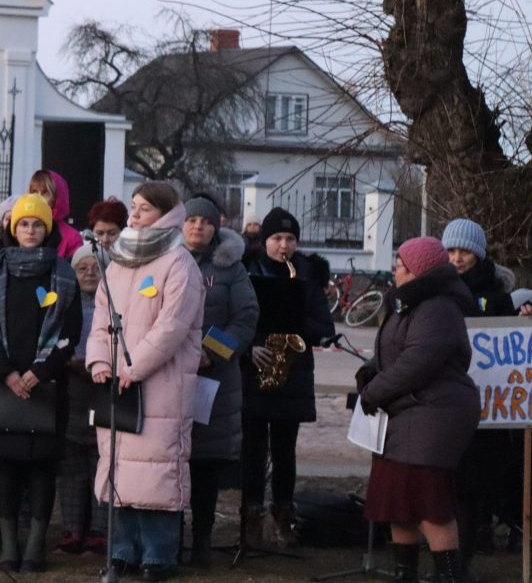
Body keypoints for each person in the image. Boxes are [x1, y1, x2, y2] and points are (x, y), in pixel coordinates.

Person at [87, 182, 204, 582]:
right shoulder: (118, 262)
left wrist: (133, 368)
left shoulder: (179, 263)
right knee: (120, 466)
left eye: (144, 209)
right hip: (118, 382)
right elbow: (101, 317)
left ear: (166, 215)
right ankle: (122, 551)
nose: (134, 215)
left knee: (158, 469)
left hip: (160, 383)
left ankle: (158, 555)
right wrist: (99, 360)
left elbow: (172, 327)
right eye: (133, 207)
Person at [356, 237, 480, 583]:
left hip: (433, 416)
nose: (395, 271)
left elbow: (417, 362)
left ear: (417, 271)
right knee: (400, 503)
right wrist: (370, 371)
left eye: (400, 266)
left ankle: (450, 576)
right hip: (406, 412)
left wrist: (374, 391)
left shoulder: (437, 308)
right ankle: (404, 575)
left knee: (429, 504)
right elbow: (395, 351)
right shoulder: (410, 303)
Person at [0, 193, 81, 573]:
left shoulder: (63, 274)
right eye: (24, 224)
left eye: (37, 224)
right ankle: (8, 546)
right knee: (5, 468)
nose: (30, 230)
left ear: (47, 229)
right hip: (4, 383)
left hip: (46, 385)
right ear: (12, 228)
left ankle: (35, 548)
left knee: (41, 469)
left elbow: (70, 330)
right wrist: (7, 373)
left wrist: (41, 370)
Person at [241, 207, 335, 546]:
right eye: (277, 238)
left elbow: (325, 328)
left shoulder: (308, 275)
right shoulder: (246, 270)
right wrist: (250, 346)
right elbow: (236, 318)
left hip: (292, 372)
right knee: (252, 450)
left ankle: (283, 516)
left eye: (290, 238)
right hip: (254, 369)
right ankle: (251, 517)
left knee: (285, 451)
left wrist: (294, 317)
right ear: (264, 240)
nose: (284, 246)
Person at [181, 197, 258, 568]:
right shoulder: (167, 259)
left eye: (206, 221)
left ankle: (202, 541)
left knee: (204, 465)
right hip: (169, 375)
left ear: (216, 227)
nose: (198, 226)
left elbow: (245, 318)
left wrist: (212, 353)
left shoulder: (232, 269)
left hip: (213, 380)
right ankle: (167, 539)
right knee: (170, 462)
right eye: (191, 219)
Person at [440, 217, 522, 567]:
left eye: (465, 251)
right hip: (446, 397)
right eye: (451, 250)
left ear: (479, 253)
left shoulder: (496, 294)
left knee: (476, 477)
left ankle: (470, 546)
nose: (457, 258)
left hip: (484, 403)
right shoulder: (438, 288)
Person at [56, 244, 108, 556]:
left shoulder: (114, 305)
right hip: (71, 387)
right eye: (82, 268)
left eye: (96, 267)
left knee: (102, 460)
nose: (89, 273)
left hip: (103, 388)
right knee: (71, 462)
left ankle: (100, 530)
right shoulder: (63, 303)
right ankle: (72, 529)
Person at [27, 169, 83, 259]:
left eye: (45, 193)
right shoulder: (22, 230)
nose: (38, 197)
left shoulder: (72, 238)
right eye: (34, 192)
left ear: (56, 197)